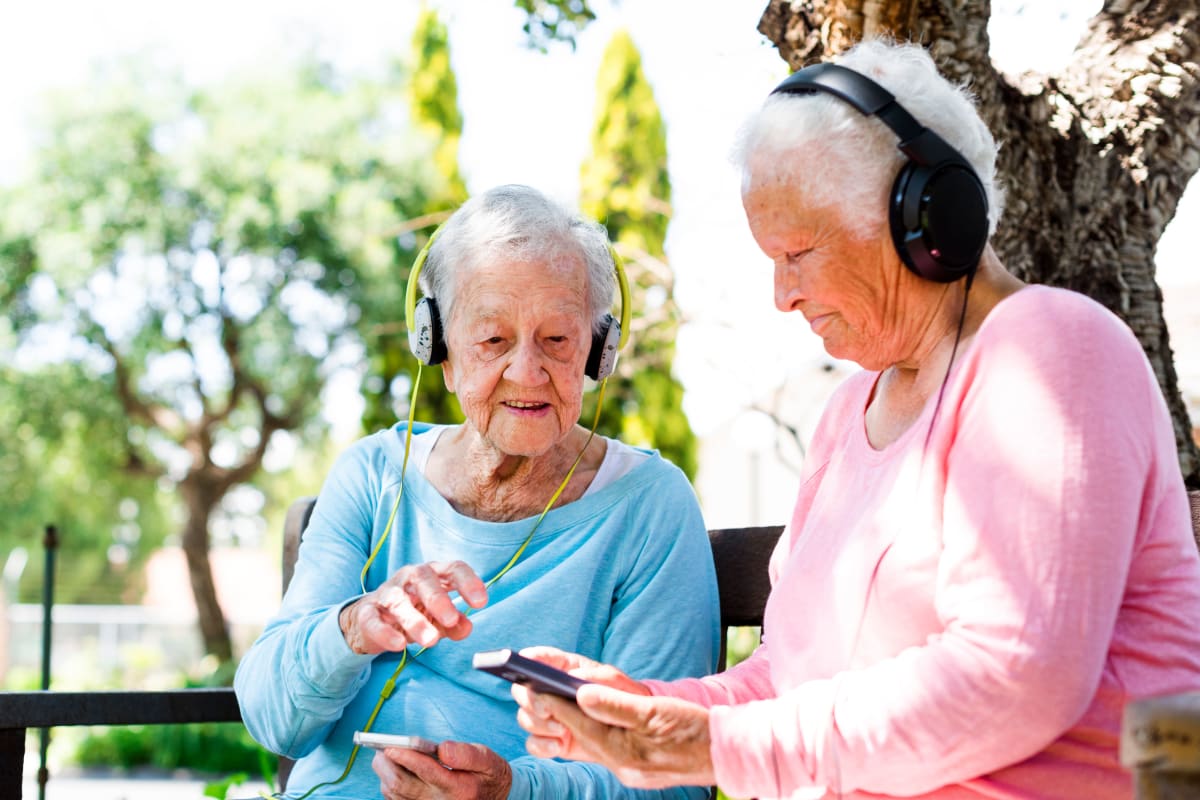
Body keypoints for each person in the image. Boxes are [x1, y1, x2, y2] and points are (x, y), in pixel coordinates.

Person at [512, 39, 1200, 799]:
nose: (783, 294)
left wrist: (723, 749)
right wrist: (649, 715)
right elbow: (787, 677)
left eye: (798, 252)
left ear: (923, 216)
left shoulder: (1052, 348)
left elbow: (1016, 674)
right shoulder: (847, 416)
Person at [235, 184, 720, 800]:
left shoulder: (649, 506)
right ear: (437, 347)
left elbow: (669, 780)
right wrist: (356, 626)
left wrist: (511, 791)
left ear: (599, 351)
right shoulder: (373, 474)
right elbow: (273, 720)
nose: (526, 372)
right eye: (493, 340)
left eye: (558, 339)